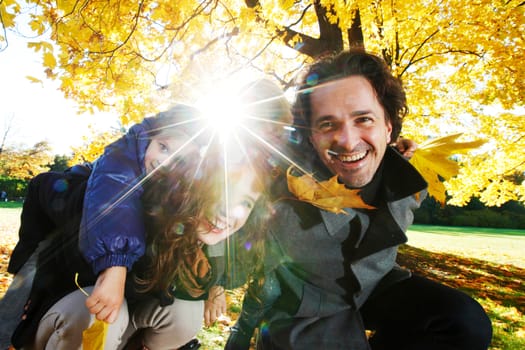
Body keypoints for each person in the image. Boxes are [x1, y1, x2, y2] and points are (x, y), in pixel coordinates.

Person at [225, 49, 493, 349]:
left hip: (375, 286)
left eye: (364, 119)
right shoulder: (276, 182)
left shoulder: (407, 178)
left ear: (388, 126)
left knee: (464, 322)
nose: (349, 141)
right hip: (307, 306)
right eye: (327, 124)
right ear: (311, 135)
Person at [3, 78, 293, 349]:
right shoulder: (118, 178)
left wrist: (215, 284)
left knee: (184, 313)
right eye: (163, 147)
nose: (166, 162)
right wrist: (114, 265)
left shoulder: (206, 196)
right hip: (65, 304)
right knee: (100, 313)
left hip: (127, 315)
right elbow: (63, 188)